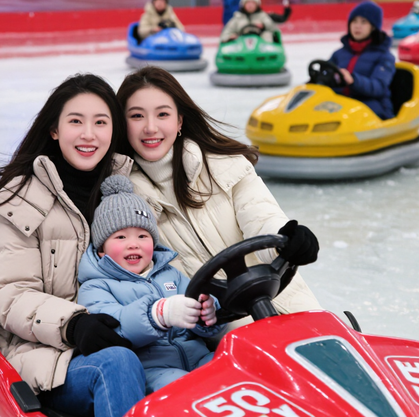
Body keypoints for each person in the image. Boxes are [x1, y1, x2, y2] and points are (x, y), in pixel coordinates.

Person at [0, 74, 146, 417]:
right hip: (45, 355)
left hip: (119, 334)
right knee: (116, 364)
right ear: (55, 130)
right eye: (76, 121)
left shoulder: (126, 193)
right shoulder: (23, 200)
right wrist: (74, 325)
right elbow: (11, 295)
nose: (88, 134)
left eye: (100, 123)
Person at [116, 66, 321, 319]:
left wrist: (286, 238)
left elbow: (259, 216)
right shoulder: (123, 203)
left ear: (179, 121)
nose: (150, 127)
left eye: (162, 114)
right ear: (122, 124)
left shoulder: (226, 165)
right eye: (137, 116)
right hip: (217, 324)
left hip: (285, 299)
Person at [78, 175, 222, 394]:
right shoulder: (96, 287)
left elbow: (198, 305)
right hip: (151, 370)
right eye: (121, 237)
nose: (133, 244)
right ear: (101, 250)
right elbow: (114, 328)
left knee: (234, 371)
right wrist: (158, 315)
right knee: (186, 389)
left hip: (199, 357)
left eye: (142, 236)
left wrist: (207, 314)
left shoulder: (170, 274)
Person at [329, 1, 396, 121]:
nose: (357, 26)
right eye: (354, 21)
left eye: (363, 22)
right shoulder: (339, 54)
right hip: (342, 105)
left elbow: (379, 87)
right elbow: (326, 74)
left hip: (374, 107)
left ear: (373, 27)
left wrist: (353, 80)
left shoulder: (384, 57)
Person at [220, 0, 291, 43]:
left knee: (267, 34)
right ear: (243, 4)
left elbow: (274, 30)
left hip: (261, 49)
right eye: (248, 2)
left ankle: (268, 55)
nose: (250, 5)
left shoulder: (262, 16)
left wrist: (264, 26)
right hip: (240, 49)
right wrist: (230, 37)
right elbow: (226, 32)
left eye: (253, 3)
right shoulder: (237, 17)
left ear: (257, 4)